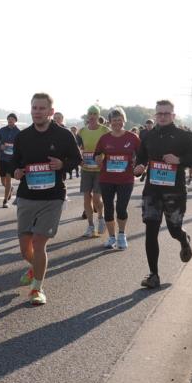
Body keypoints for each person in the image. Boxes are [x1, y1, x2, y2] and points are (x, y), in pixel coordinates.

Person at [11, 93, 81, 306]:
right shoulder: (22, 136)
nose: (37, 112)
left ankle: (37, 289)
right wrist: (15, 171)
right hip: (27, 195)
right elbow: (13, 162)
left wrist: (62, 165)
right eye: (34, 108)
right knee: (25, 249)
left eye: (41, 108)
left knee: (39, 243)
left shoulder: (64, 135)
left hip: (53, 197)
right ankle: (35, 268)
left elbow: (76, 159)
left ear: (51, 112)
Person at [133, 100, 192, 290]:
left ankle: (183, 239)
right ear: (156, 115)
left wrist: (179, 160)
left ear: (173, 115)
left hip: (174, 191)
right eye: (160, 113)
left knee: (174, 229)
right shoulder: (148, 136)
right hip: (152, 190)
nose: (163, 116)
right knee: (151, 230)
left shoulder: (183, 136)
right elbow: (141, 157)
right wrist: (139, 167)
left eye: (167, 113)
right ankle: (153, 275)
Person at [93, 107, 139, 250]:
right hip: (107, 178)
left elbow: (142, 154)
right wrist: (98, 159)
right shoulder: (105, 138)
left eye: (119, 120)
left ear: (124, 120)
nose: (117, 123)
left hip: (126, 179)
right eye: (114, 120)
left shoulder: (132, 137)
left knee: (121, 208)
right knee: (108, 208)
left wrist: (138, 163)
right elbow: (97, 154)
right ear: (110, 122)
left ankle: (121, 235)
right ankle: (111, 237)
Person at [77, 106, 108, 237]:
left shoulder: (105, 130)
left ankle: (101, 217)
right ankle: (90, 226)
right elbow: (75, 147)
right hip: (86, 169)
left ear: (98, 115)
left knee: (96, 198)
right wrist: (79, 159)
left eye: (95, 114)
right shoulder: (82, 131)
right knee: (86, 197)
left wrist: (103, 157)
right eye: (90, 114)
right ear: (87, 115)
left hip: (100, 169)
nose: (92, 116)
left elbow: (111, 146)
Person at [0, 113, 21, 207]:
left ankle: (5, 201)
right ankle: (10, 189)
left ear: (15, 120)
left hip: (11, 160)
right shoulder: (2, 130)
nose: (10, 120)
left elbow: (21, 146)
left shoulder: (18, 132)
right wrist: (0, 146)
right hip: (2, 158)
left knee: (8, 179)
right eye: (9, 119)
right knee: (3, 181)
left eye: (12, 119)